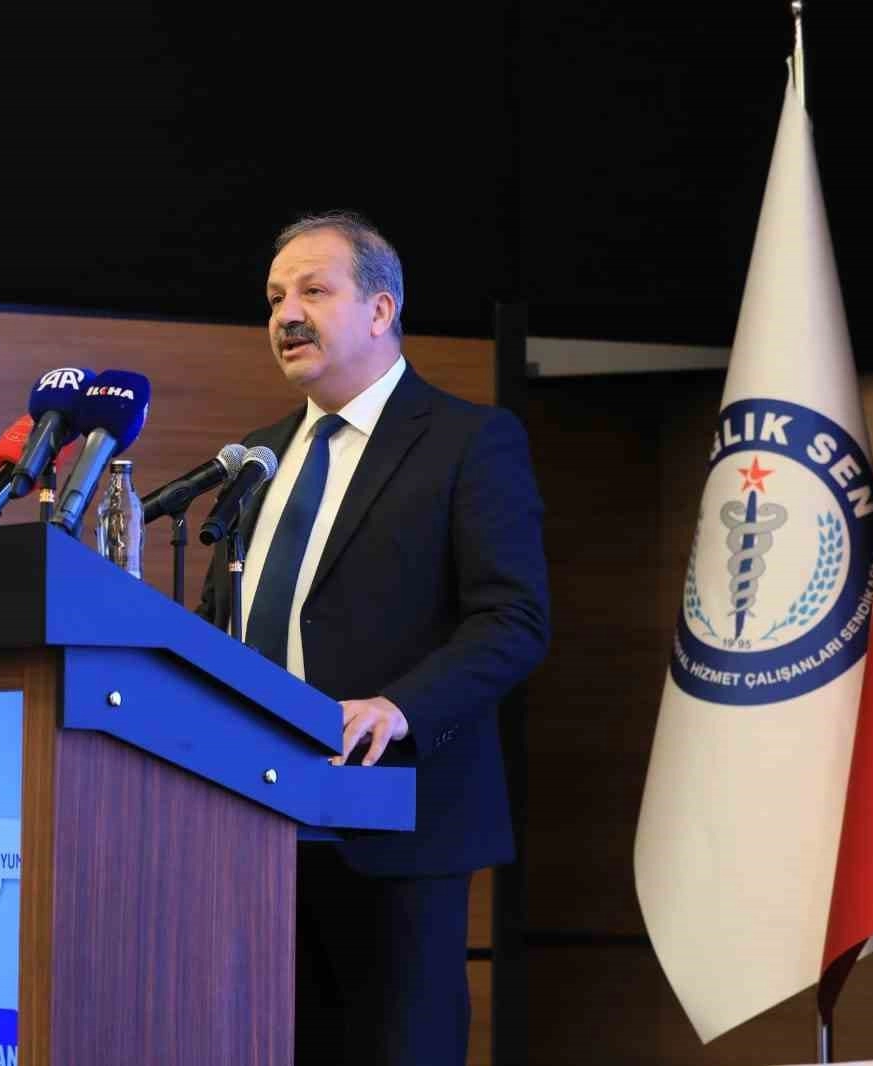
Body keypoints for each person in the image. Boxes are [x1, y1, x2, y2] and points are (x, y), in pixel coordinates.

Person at [196, 211, 550, 1065]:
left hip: (398, 825)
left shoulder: (467, 440)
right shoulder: (255, 460)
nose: (286, 314)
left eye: (313, 291)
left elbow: (513, 619)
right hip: (256, 828)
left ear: (382, 309)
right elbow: (217, 625)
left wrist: (401, 707)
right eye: (275, 298)